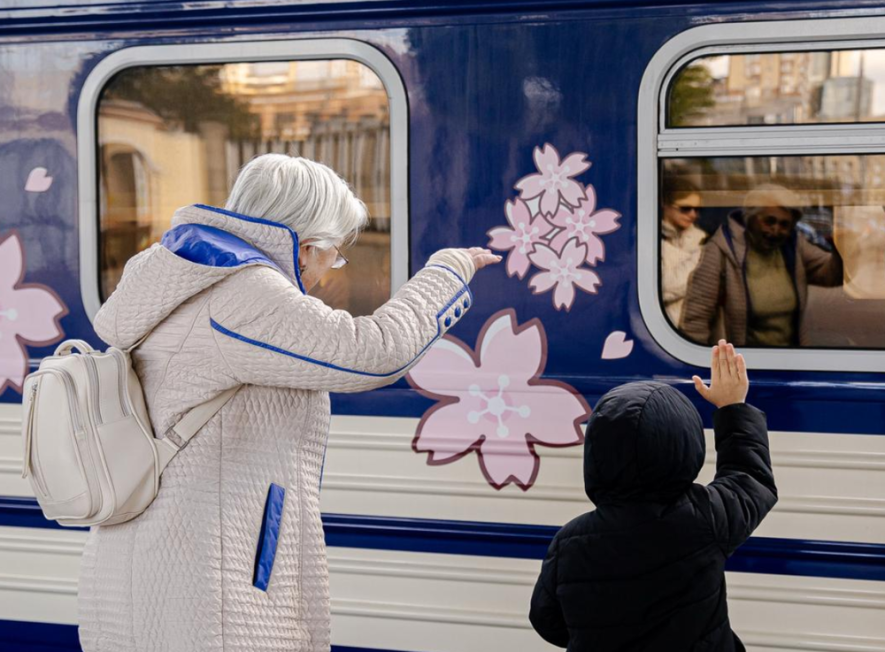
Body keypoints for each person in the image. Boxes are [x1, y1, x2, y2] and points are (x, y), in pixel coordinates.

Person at [78, 154, 501, 652]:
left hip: (156, 559)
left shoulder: (184, 276)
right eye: (335, 254)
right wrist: (447, 273)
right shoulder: (240, 292)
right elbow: (373, 353)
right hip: (208, 582)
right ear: (306, 246)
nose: (329, 269)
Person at [529, 340, 777, 651]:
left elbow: (545, 619)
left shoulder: (570, 543)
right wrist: (732, 408)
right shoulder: (704, 519)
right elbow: (750, 478)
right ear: (685, 446)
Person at [681, 184, 842, 346]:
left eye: (784, 225)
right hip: (743, 362)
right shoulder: (721, 248)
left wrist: (841, 246)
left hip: (790, 358)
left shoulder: (793, 245)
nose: (776, 230)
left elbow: (830, 274)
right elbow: (696, 318)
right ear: (750, 218)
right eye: (769, 221)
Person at [661, 176, 707, 326]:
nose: (693, 214)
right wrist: (701, 257)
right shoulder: (647, 240)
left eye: (697, 209)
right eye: (685, 208)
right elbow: (664, 288)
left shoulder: (702, 238)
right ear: (665, 205)